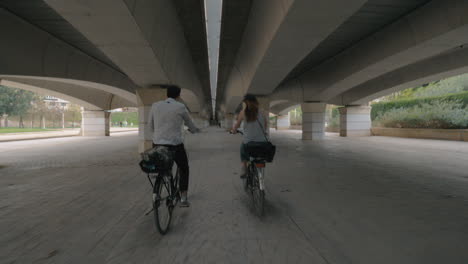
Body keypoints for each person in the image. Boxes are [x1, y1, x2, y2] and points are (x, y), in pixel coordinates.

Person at [148, 85, 200, 207]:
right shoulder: (180, 106)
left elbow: (150, 126)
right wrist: (194, 130)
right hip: (175, 145)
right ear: (179, 95)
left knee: (163, 167)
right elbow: (190, 124)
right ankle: (183, 198)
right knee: (183, 168)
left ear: (166, 94)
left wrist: (158, 136)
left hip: (158, 143)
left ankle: (159, 189)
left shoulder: (155, 105)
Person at [231, 94, 268, 178]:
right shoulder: (262, 111)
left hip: (248, 143)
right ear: (256, 102)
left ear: (246, 103)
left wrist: (233, 131)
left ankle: (244, 167)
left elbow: (236, 126)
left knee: (242, 149)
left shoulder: (243, 112)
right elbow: (265, 126)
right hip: (263, 142)